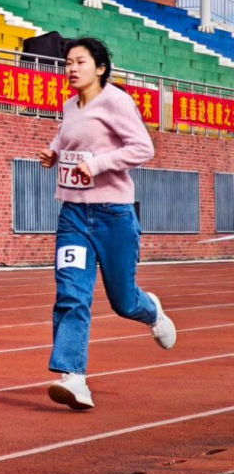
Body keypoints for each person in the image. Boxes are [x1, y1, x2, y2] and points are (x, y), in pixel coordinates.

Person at [39, 37, 177, 409]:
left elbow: (143, 148)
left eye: (80, 62)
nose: (72, 68)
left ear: (100, 68)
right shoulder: (70, 105)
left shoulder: (116, 101)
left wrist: (98, 165)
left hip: (113, 215)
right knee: (71, 294)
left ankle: (151, 310)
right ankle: (73, 377)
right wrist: (54, 152)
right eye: (68, 62)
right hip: (73, 215)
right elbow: (67, 136)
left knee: (123, 301)